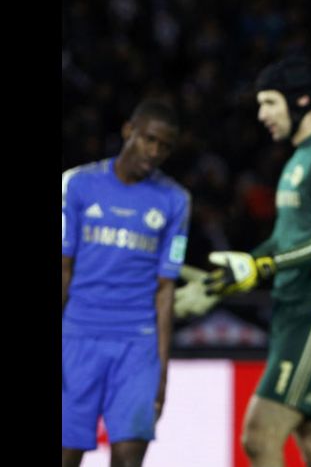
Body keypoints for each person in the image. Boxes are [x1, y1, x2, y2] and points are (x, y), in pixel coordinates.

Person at [175, 55, 311, 467]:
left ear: (301, 100)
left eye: (269, 102)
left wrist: (261, 268)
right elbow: (284, 240)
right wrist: (229, 277)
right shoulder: (299, 158)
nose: (261, 114)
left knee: (260, 435)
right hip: (295, 311)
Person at [62, 100, 191, 466]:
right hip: (77, 337)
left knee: (128, 458)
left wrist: (162, 373)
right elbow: (63, 270)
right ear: (128, 130)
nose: (155, 153)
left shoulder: (175, 201)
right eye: (149, 140)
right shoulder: (77, 185)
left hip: (137, 344)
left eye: (165, 147)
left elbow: (165, 292)